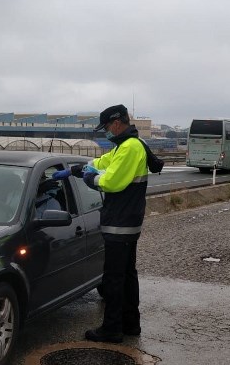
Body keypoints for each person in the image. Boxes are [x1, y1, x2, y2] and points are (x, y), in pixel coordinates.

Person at [78, 104, 148, 343]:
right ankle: (130, 324)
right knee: (127, 275)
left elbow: (112, 181)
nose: (106, 131)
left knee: (114, 279)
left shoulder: (130, 147)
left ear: (116, 123)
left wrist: (90, 178)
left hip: (120, 223)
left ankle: (111, 329)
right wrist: (85, 166)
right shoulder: (128, 145)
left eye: (107, 126)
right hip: (128, 222)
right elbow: (108, 162)